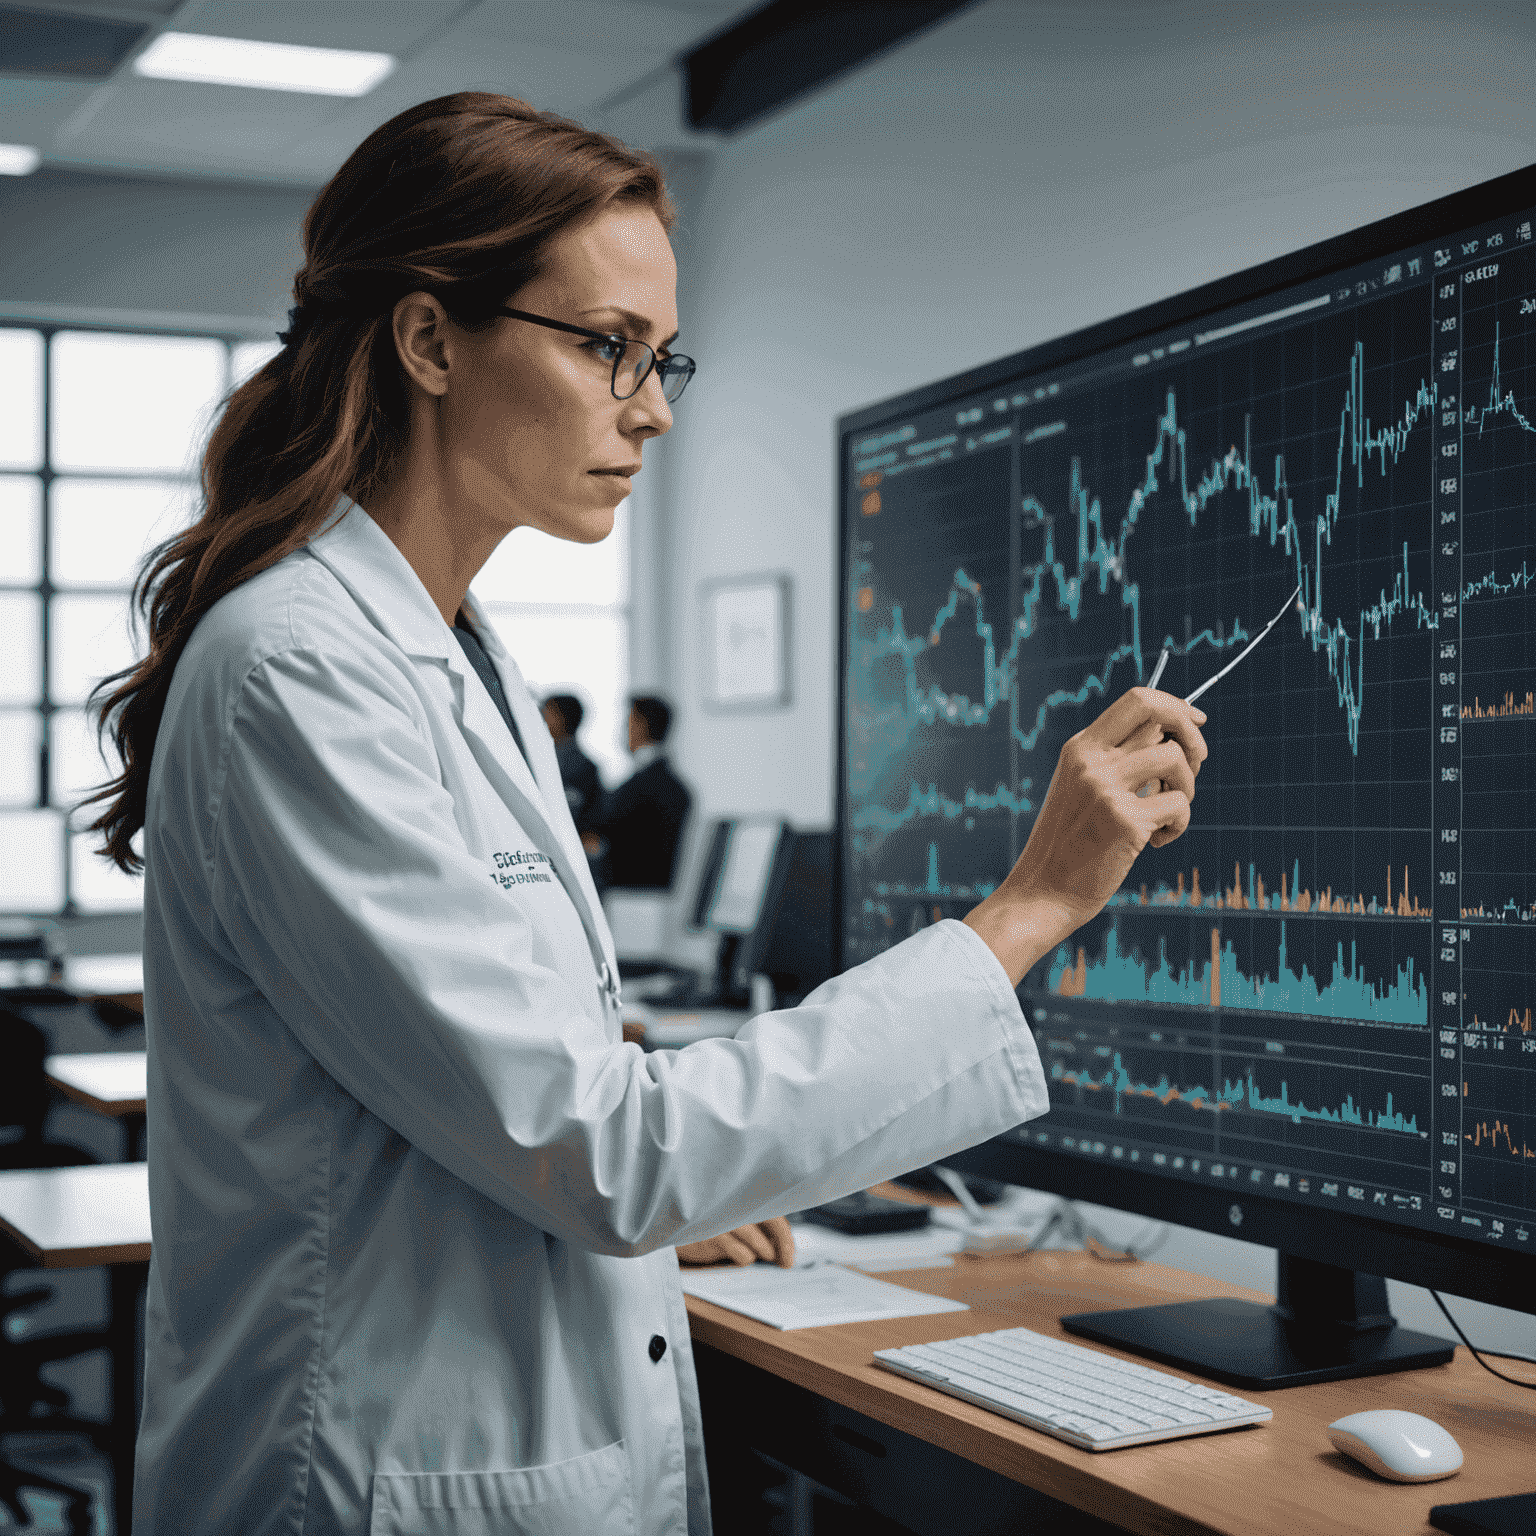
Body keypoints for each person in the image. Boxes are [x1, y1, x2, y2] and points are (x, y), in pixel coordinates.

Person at [85, 92, 1207, 1536]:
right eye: (607, 348)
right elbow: (603, 1153)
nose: (656, 406)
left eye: (661, 355)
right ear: (431, 341)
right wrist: (1030, 908)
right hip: (366, 1477)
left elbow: (529, 1086)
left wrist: (650, 1162)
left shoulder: (452, 653)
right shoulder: (303, 667)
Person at [583, 693, 691, 888]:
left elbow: (601, 832)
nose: (623, 730)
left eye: (627, 723)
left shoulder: (642, 786)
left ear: (640, 725)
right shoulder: (674, 786)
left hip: (628, 896)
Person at [541, 691, 603, 831]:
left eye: (547, 713)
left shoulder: (583, 768)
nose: (542, 719)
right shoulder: (546, 758)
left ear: (562, 718)